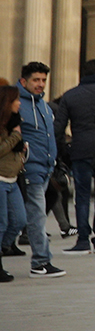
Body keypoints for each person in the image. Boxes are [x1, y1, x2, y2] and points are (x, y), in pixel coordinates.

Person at [54, 58, 95, 256]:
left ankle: (83, 239)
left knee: (82, 196)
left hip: (80, 150)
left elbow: (58, 128)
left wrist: (63, 151)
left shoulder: (70, 95)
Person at [16, 62, 61, 276]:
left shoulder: (44, 105)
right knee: (37, 216)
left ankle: (8, 245)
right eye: (36, 80)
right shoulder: (16, 104)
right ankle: (41, 261)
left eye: (43, 80)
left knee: (24, 217)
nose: (40, 84)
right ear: (24, 81)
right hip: (29, 169)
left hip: (46, 167)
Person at [0, 84, 25, 280]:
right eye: (16, 99)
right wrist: (16, 136)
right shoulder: (4, 126)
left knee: (19, 220)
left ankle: (3, 247)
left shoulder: (16, 121)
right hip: (0, 179)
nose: (19, 103)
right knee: (1, 223)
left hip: (13, 179)